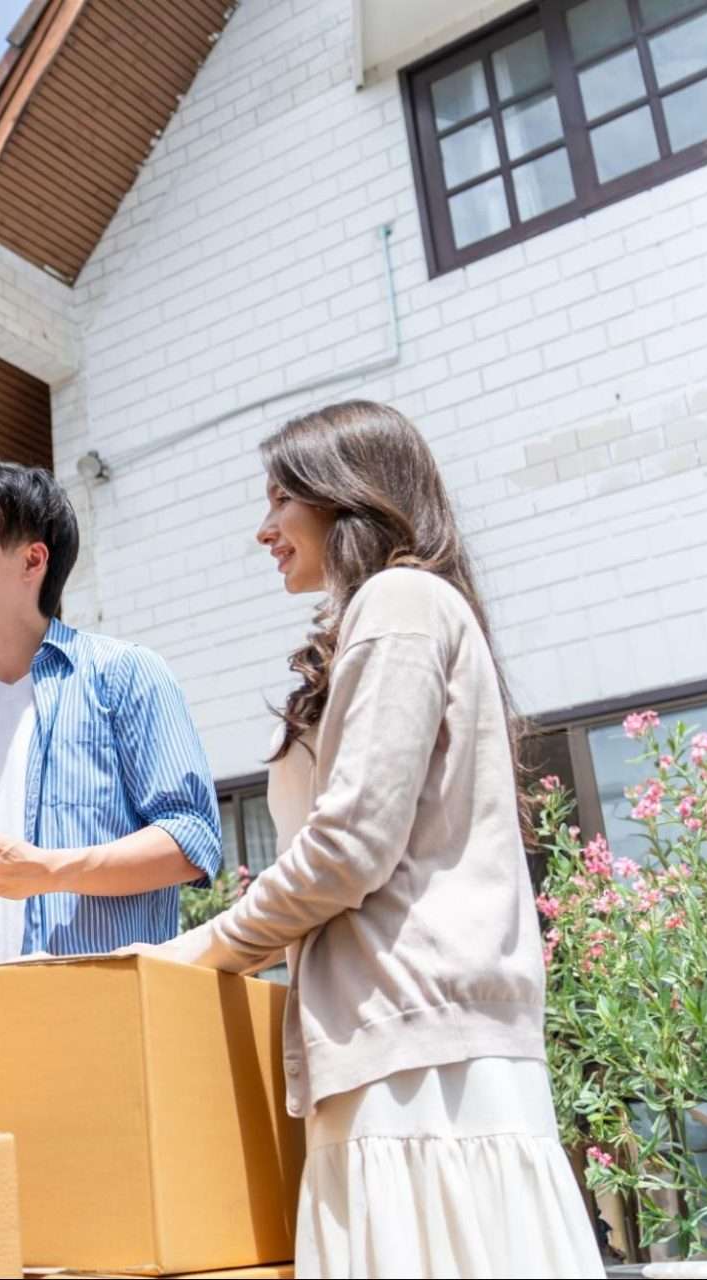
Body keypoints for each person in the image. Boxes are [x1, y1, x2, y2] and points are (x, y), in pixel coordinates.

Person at [146, 401, 603, 1277]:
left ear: (343, 494)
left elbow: (349, 847)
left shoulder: (399, 601)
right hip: (406, 1040)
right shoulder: (400, 611)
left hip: (415, 1055)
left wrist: (195, 952)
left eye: (282, 498)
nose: (263, 529)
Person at [0, 456, 221, 969]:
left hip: (85, 1008)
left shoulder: (122, 674)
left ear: (32, 560)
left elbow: (191, 840)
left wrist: (49, 870)